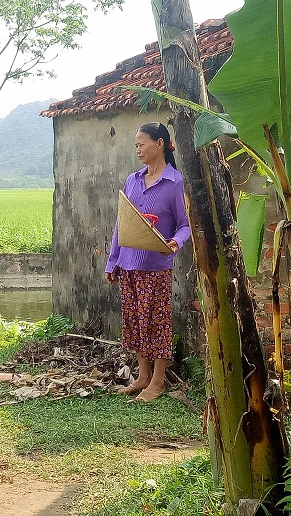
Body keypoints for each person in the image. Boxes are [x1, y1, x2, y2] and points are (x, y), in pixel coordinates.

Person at [105, 122, 191, 402]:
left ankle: (158, 381)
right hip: (128, 264)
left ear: (160, 144)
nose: (138, 149)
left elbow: (185, 224)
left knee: (157, 322)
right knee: (135, 322)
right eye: (136, 145)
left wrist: (176, 242)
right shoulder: (132, 180)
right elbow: (122, 224)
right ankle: (142, 376)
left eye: (142, 144)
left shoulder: (174, 182)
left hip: (156, 266)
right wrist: (113, 261)